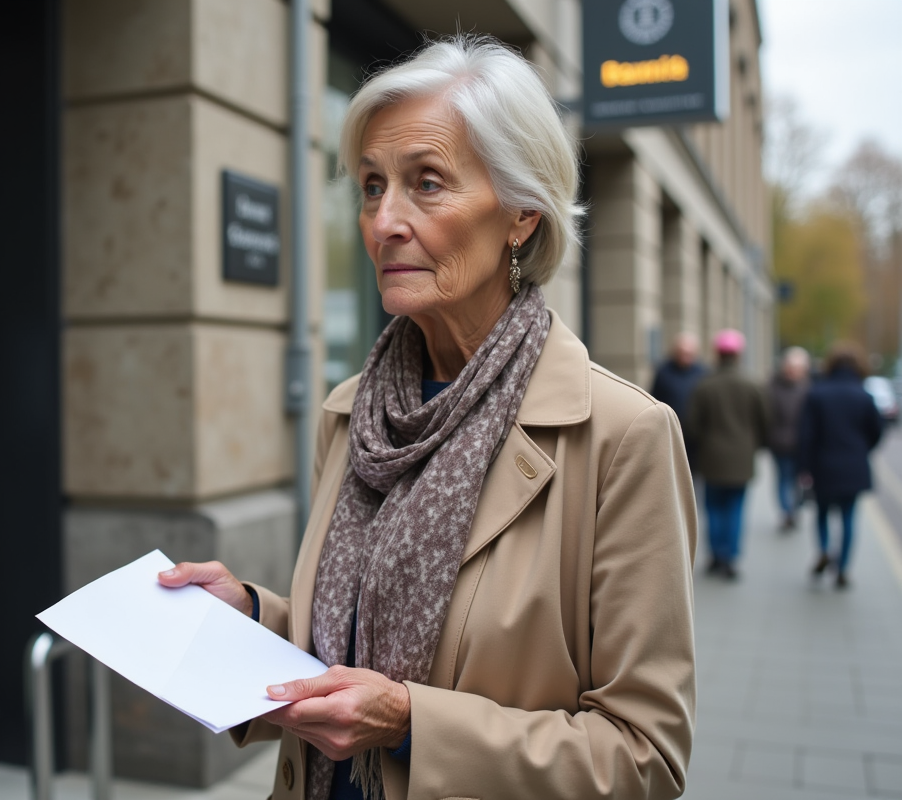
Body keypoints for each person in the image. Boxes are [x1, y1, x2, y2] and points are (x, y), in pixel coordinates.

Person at [158, 35, 696, 800]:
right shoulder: (353, 413)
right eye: (372, 186)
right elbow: (347, 647)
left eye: (427, 183)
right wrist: (248, 616)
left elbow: (645, 757)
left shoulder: (621, 436)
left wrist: (412, 723)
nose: (384, 221)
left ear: (521, 213)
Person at [683, 329, 769, 580]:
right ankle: (730, 556)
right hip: (742, 457)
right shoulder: (752, 385)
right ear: (739, 354)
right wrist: (755, 445)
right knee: (735, 507)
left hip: (711, 457)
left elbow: (692, 425)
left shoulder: (704, 385)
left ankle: (716, 555)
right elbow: (765, 421)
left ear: (717, 354)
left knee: (713, 507)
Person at [797, 342, 883, 588]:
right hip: (854, 465)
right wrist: (861, 450)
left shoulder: (817, 394)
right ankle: (843, 567)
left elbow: (806, 435)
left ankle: (824, 550)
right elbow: (876, 431)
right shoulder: (864, 396)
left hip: (823, 464)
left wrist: (804, 466)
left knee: (822, 513)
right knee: (848, 517)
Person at [767, 347, 810, 530]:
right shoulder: (773, 386)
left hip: (800, 443)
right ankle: (788, 511)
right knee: (785, 478)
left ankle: (791, 510)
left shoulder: (808, 388)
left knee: (796, 479)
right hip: (781, 443)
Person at [651, 332, 707, 422]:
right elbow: (655, 399)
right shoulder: (664, 372)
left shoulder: (703, 373)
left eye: (688, 354)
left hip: (695, 425)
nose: (684, 358)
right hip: (670, 423)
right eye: (682, 353)